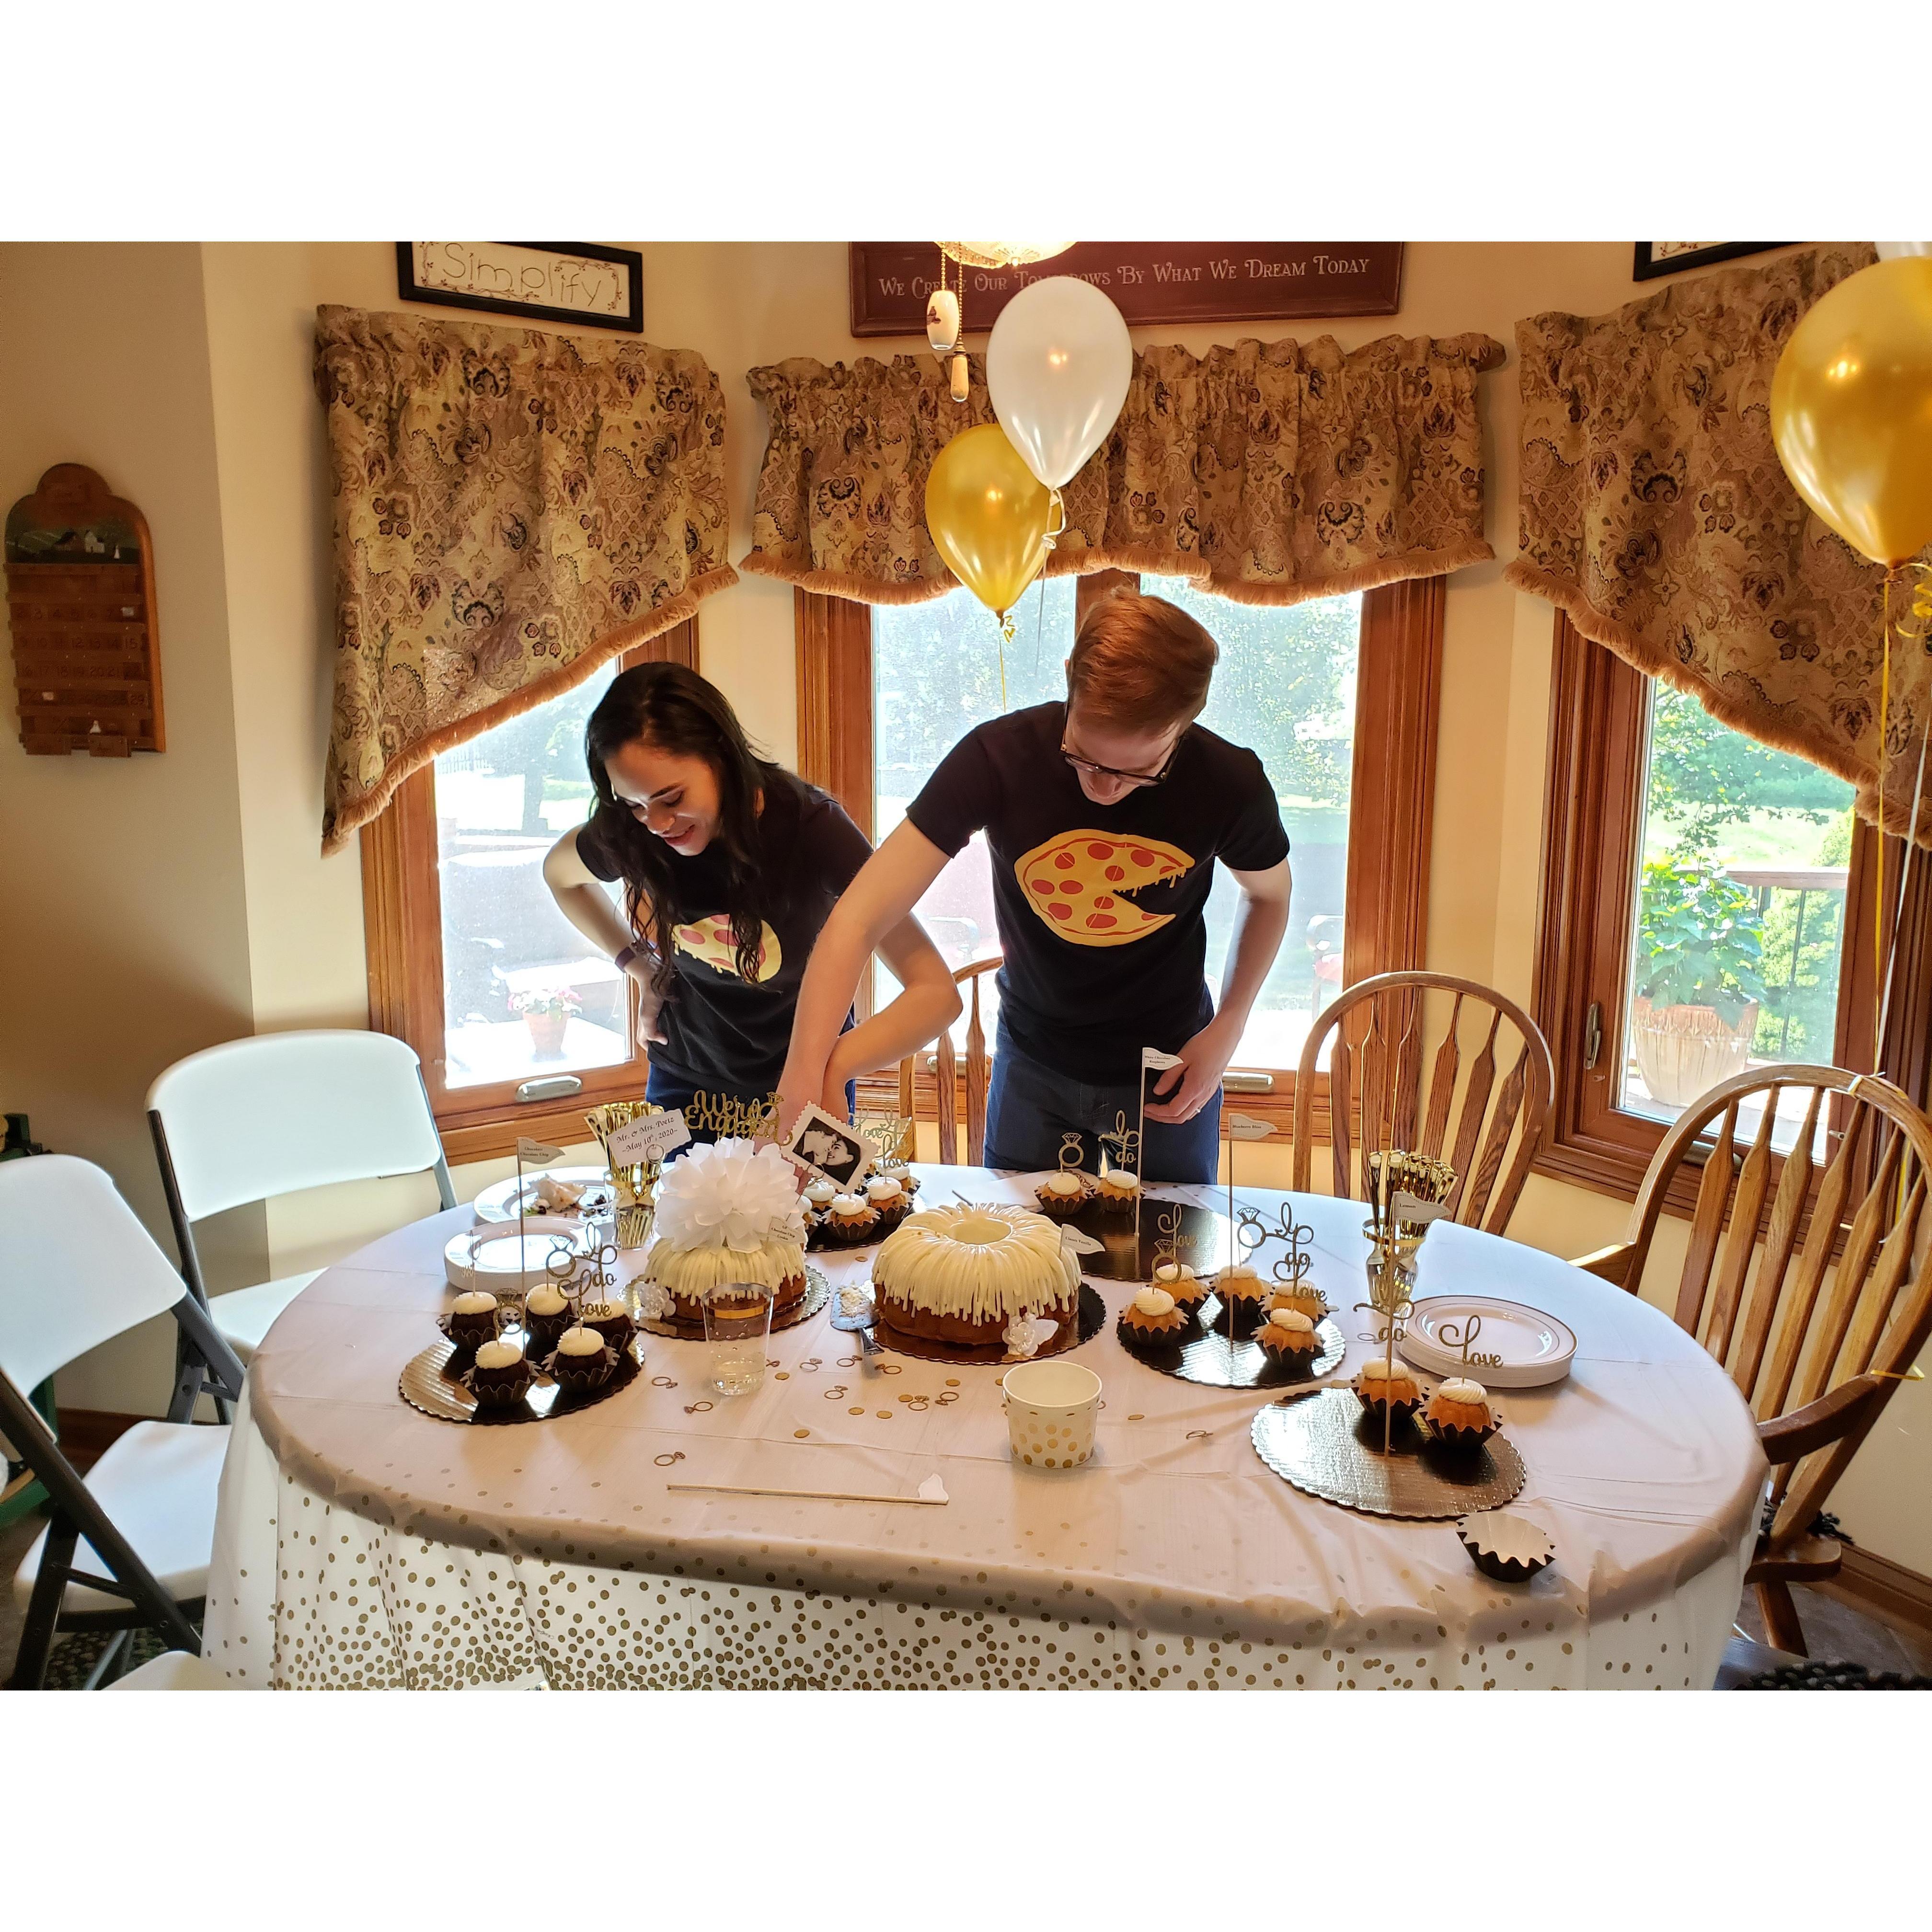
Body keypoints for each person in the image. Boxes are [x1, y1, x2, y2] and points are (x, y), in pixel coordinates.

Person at [778, 592, 1292, 1181]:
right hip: (1033, 1056)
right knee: (1019, 1263)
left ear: (1186, 725)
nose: (1102, 788)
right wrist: (804, 1076)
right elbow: (857, 917)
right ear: (1071, 680)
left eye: (1135, 772)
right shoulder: (997, 758)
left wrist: (1229, 1026)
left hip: (1170, 1061)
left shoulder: (1230, 782)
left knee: (1165, 1263)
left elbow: (1270, 897)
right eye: (1084, 758)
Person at [543, 662, 961, 1134]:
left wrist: (830, 1065)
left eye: (672, 798)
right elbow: (561, 877)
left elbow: (936, 995)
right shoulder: (635, 828)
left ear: (721, 755)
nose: (657, 824)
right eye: (634, 805)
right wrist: (639, 966)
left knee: (815, 1210)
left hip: (807, 1083)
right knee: (674, 1208)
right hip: (686, 1084)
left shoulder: (811, 827)